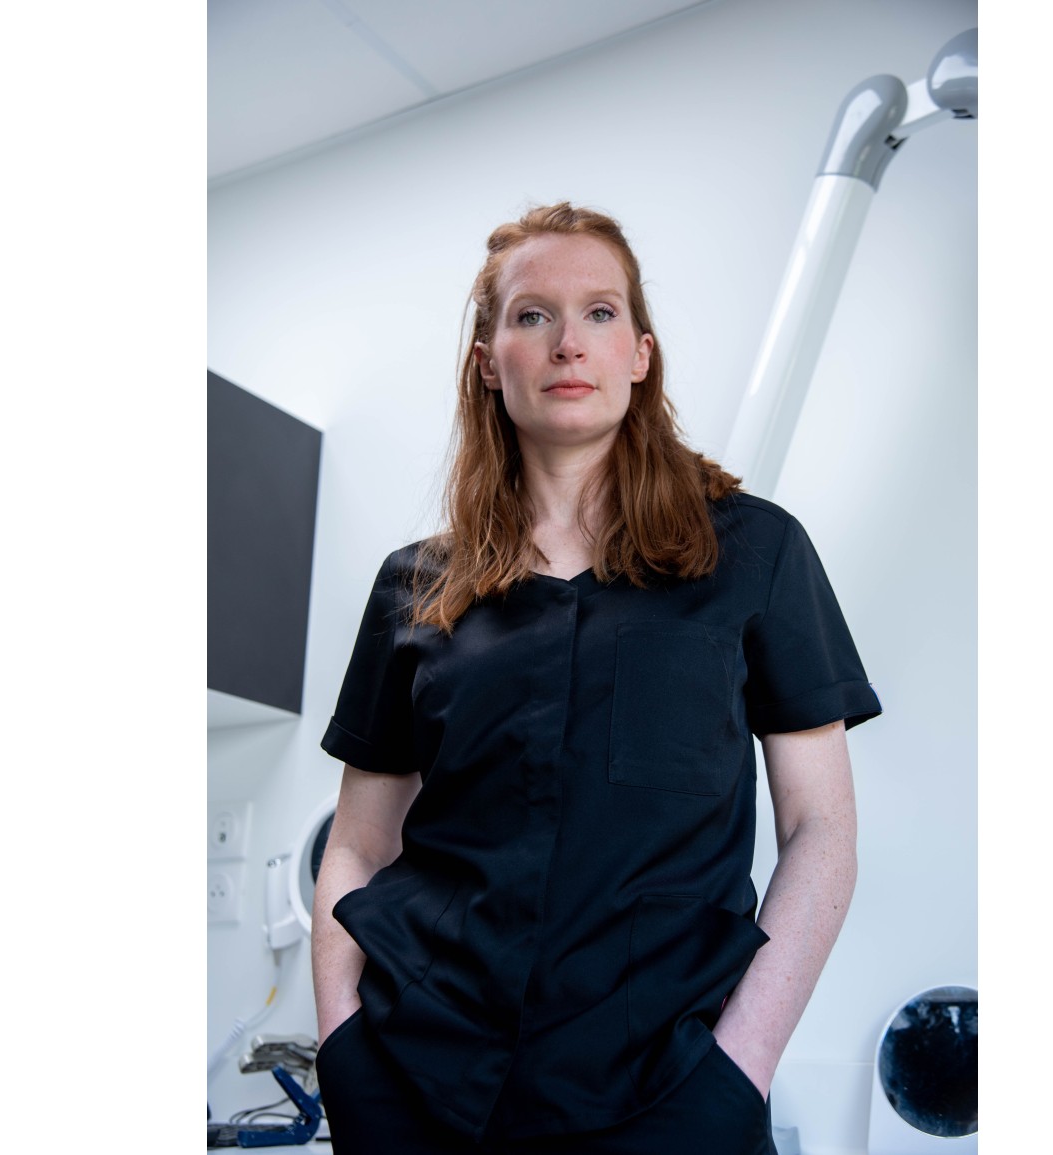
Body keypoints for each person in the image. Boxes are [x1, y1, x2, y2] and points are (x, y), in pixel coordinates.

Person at [311, 202, 881, 1154]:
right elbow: (358, 844)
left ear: (640, 355)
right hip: (420, 1090)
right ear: (488, 361)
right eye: (532, 315)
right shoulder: (416, 586)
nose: (568, 342)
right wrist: (343, 1051)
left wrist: (738, 1071)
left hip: (670, 1099)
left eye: (600, 313)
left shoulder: (758, 553)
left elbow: (820, 831)